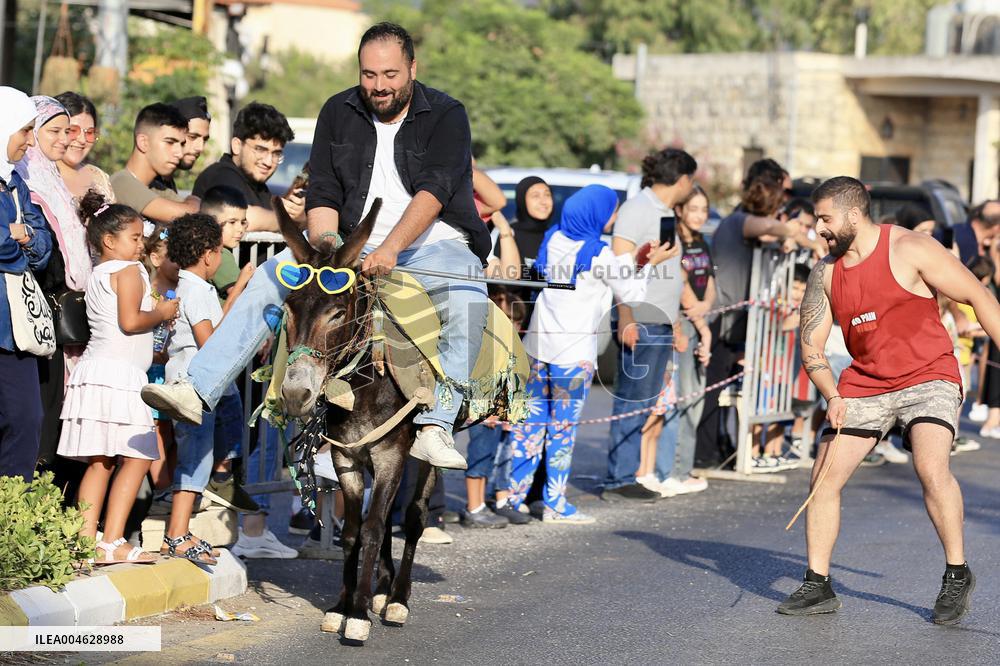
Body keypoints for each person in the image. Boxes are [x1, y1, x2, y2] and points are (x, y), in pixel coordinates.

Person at [143, 23, 491, 474]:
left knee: (467, 294)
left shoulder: (447, 114)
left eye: (390, 74)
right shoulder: (337, 110)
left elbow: (435, 190)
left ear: (412, 68)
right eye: (369, 74)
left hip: (433, 243)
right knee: (270, 275)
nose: (379, 85)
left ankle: (437, 424)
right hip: (347, 244)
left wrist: (390, 248)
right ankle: (198, 388)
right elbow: (323, 190)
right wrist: (325, 245)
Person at [779, 176, 994, 625]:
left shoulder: (911, 248)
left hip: (928, 375)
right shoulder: (826, 272)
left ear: (854, 215)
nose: (818, 228)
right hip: (865, 383)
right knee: (823, 479)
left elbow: (977, 294)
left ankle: (957, 573)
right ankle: (818, 584)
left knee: (930, 466)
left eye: (825, 218)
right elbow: (811, 345)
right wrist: (832, 394)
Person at [506, 185, 680, 523]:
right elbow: (631, 291)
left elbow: (609, 273)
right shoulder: (599, 252)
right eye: (612, 210)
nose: (613, 217)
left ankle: (514, 498)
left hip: (538, 349)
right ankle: (555, 503)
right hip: (574, 355)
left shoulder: (555, 237)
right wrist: (651, 263)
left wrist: (635, 260)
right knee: (563, 430)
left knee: (530, 426)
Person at [57, 192, 177, 563]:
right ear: (109, 241)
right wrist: (162, 312)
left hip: (98, 372)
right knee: (138, 458)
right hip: (119, 377)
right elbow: (131, 321)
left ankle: (86, 541)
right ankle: (113, 539)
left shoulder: (99, 273)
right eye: (135, 237)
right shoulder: (129, 271)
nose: (142, 245)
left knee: (102, 462)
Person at [162, 214, 273, 564]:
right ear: (209, 254)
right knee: (196, 456)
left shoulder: (195, 287)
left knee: (227, 424)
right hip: (195, 386)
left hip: (207, 386)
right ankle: (176, 533)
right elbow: (210, 342)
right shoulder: (196, 290)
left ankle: (221, 478)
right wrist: (239, 293)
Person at [694, 159, 805, 468]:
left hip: (740, 323)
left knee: (728, 393)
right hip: (720, 319)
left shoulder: (753, 226)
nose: (781, 206)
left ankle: (722, 449)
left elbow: (769, 233)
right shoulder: (739, 220)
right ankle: (702, 455)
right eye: (778, 199)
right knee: (711, 392)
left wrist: (791, 238)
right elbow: (767, 227)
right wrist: (790, 231)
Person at [603, 148, 696, 503]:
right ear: (683, 179)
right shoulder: (637, 209)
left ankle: (629, 473)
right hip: (641, 319)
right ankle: (618, 478)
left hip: (661, 321)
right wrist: (625, 314)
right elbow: (619, 265)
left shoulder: (665, 212)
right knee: (631, 400)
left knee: (645, 402)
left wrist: (675, 321)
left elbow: (667, 271)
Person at [14, 96, 95, 471]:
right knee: (33, 416)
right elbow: (40, 251)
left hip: (57, 313)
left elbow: (48, 242)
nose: (66, 139)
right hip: (34, 310)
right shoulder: (22, 181)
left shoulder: (52, 180)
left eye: (69, 131)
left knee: (51, 415)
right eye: (55, 131)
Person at [0, 86, 53, 481]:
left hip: (13, 327)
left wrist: (21, 236)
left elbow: (43, 247)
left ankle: (12, 509)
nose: (30, 141)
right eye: (25, 130)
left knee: (25, 420)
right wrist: (13, 237)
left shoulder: (15, 182)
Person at [656, 184, 713, 495]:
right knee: (681, 400)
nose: (700, 215)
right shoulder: (674, 241)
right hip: (683, 324)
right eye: (693, 209)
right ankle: (673, 470)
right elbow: (682, 286)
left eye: (704, 209)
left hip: (699, 321)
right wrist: (701, 325)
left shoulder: (702, 241)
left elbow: (709, 281)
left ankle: (682, 468)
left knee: (695, 400)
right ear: (679, 210)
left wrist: (706, 307)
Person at [192, 102, 303, 233]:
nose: (268, 162)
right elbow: (242, 218)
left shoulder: (260, 188)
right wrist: (288, 220)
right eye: (260, 150)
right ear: (237, 146)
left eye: (276, 154)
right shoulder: (221, 175)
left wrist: (301, 217)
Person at [110, 103, 200, 223]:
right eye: (170, 142)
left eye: (182, 144)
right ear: (143, 142)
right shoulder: (121, 182)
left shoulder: (157, 188)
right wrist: (194, 200)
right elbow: (184, 215)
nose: (179, 153)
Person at [53, 91, 113, 201]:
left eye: (89, 132)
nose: (82, 140)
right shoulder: (38, 175)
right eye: (72, 130)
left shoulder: (99, 178)